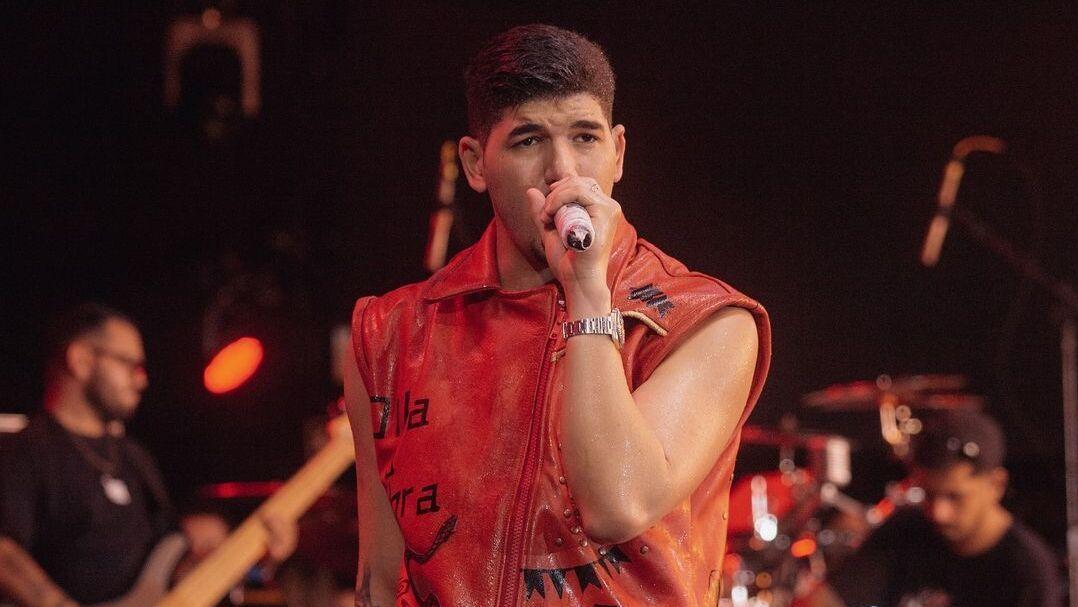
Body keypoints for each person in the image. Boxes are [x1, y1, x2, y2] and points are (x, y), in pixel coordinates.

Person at [342, 24, 772, 606]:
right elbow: (378, 580)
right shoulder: (389, 333)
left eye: (585, 137)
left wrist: (588, 294)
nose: (562, 171)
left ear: (619, 153)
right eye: (527, 141)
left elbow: (618, 505)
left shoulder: (707, 322)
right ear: (475, 164)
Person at [0, 303, 296, 606]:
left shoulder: (133, 457)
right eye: (130, 364)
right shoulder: (24, 451)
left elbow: (168, 563)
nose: (142, 380)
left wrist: (252, 558)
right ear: (81, 360)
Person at [803, 410, 1062, 607]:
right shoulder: (906, 531)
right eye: (928, 495)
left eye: (955, 497)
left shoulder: (1029, 573)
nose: (938, 513)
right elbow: (827, 601)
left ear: (996, 484)